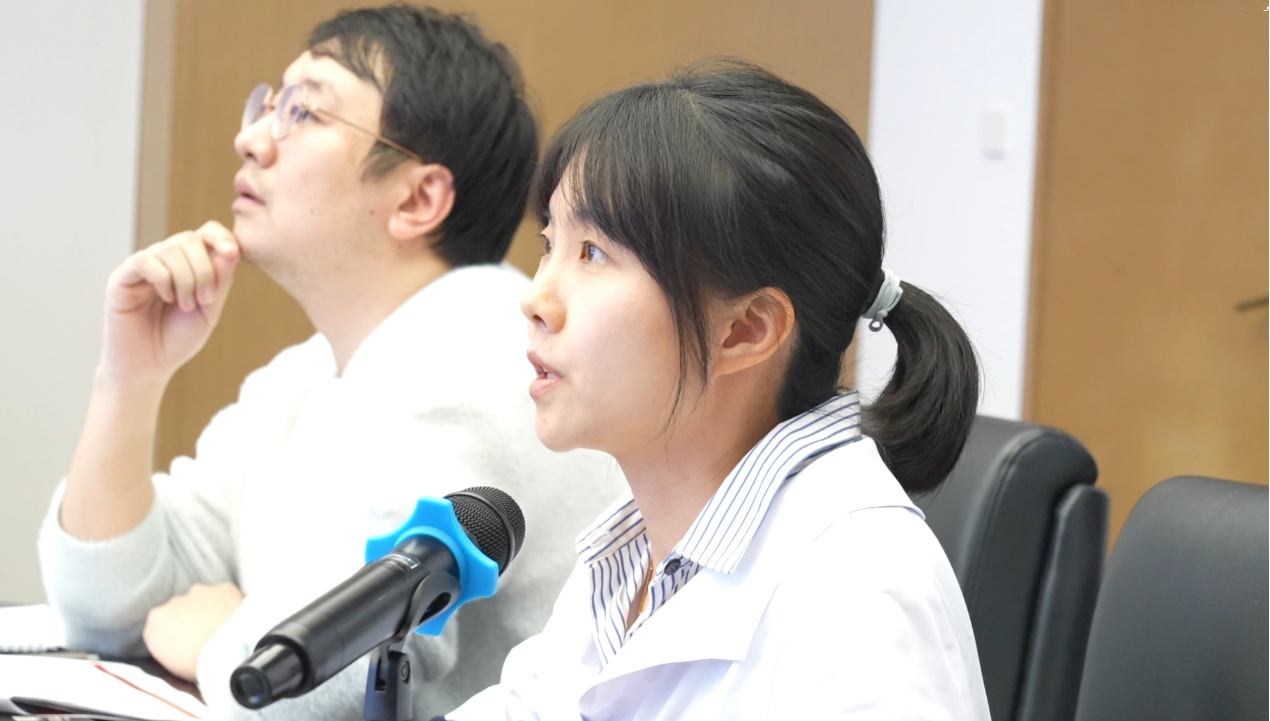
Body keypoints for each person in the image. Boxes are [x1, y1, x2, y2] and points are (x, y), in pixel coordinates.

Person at [37, 5, 620, 719]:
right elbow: (106, 605)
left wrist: (216, 638)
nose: (251, 139)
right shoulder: (307, 373)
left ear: (418, 196)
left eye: (303, 112)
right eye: (268, 105)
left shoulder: (482, 352)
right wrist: (129, 380)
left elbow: (311, 688)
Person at [445, 59, 991, 720]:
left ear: (745, 330)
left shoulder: (859, 590)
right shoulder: (632, 551)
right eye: (549, 243)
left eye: (592, 253)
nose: (536, 298)